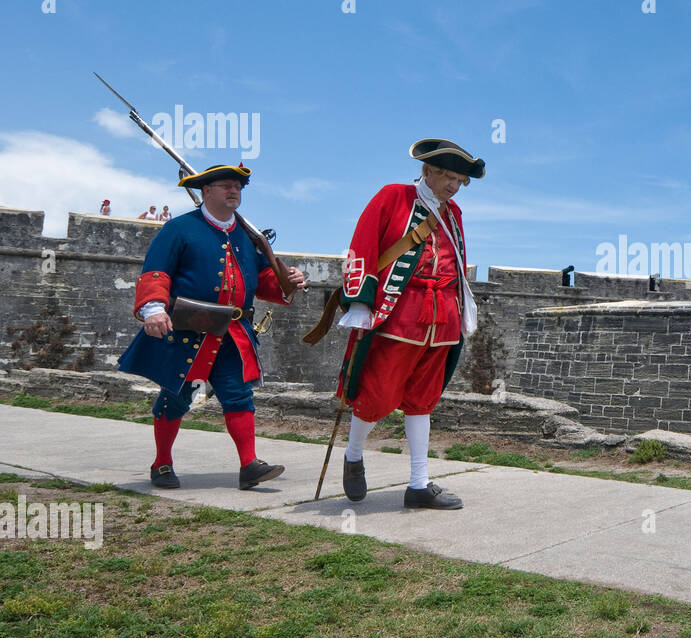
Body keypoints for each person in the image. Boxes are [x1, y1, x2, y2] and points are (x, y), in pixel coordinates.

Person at [118, 164, 307, 490]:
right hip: (189, 331)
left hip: (233, 334)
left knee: (239, 396)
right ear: (206, 191)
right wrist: (153, 309)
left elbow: (264, 281)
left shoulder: (248, 236)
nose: (234, 191)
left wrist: (288, 282)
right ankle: (162, 463)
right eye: (226, 186)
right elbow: (156, 272)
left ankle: (249, 466)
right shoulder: (178, 229)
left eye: (238, 187)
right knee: (177, 397)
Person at [335, 139, 484, 509]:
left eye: (459, 180)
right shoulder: (392, 197)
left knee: (423, 400)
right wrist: (359, 299)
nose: (453, 185)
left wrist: (463, 305)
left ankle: (419, 484)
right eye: (448, 176)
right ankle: (353, 455)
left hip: (442, 319)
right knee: (378, 395)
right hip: (398, 314)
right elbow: (363, 245)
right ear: (427, 171)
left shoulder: (455, 214)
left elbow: (456, 260)